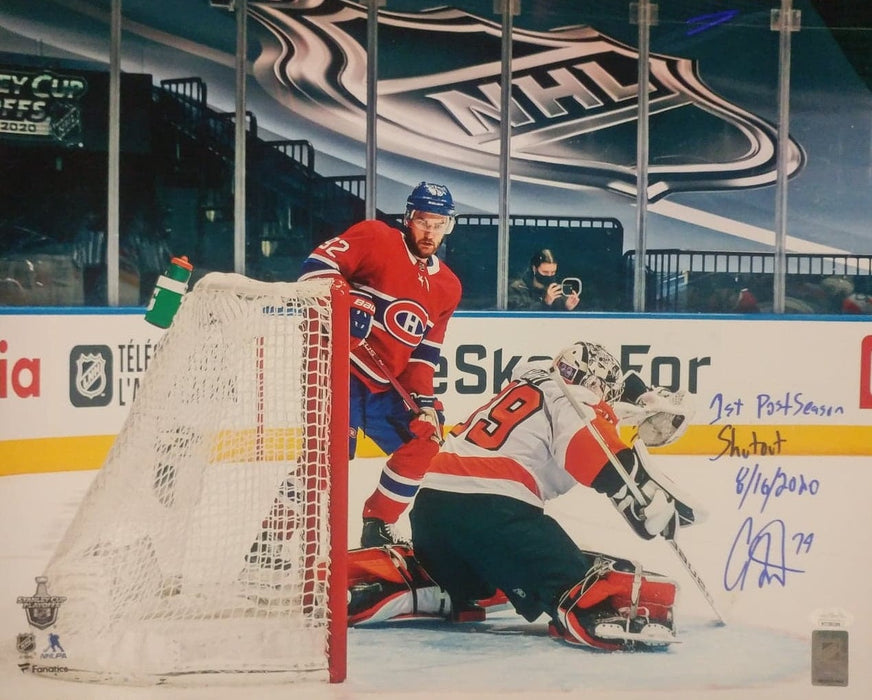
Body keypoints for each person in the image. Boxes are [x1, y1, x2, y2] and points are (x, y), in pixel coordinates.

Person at [347, 341, 699, 651]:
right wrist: (634, 490)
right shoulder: (572, 398)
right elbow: (586, 443)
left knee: (477, 582)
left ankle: (427, 582)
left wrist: (636, 402)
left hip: (431, 512)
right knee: (578, 583)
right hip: (496, 514)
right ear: (593, 385)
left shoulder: (524, 383)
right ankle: (586, 607)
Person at [298, 181, 462, 549]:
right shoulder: (375, 237)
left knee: (428, 439)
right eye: (423, 221)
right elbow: (314, 269)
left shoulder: (448, 287)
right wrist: (346, 299)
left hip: (384, 388)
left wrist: (422, 401)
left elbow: (424, 354)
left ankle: (378, 523)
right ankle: (271, 543)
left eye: (439, 224)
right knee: (327, 464)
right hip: (338, 372)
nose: (430, 231)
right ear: (408, 218)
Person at [508, 248, 580, 311]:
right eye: (545, 272)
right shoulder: (517, 288)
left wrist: (566, 307)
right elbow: (519, 315)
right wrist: (545, 303)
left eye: (553, 272)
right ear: (534, 269)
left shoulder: (557, 290)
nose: (549, 276)